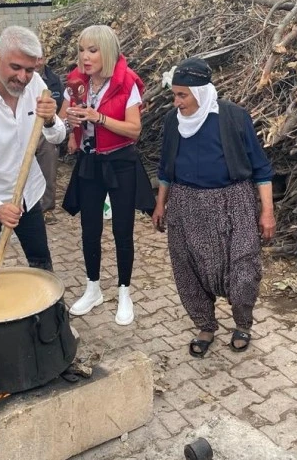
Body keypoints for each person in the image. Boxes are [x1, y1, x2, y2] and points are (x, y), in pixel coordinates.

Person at [152, 58, 276, 357]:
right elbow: (166, 168)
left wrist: (267, 211)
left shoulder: (232, 117)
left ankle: (243, 323)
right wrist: (160, 205)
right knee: (188, 269)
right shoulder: (173, 121)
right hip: (185, 205)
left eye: (182, 95)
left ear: (201, 91)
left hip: (233, 203)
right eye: (175, 94)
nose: (177, 102)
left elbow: (261, 168)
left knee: (244, 268)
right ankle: (205, 325)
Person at [61, 24, 155, 326]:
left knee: (122, 230)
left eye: (93, 50)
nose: (85, 57)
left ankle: (124, 291)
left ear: (108, 51)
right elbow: (63, 120)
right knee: (90, 228)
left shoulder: (127, 82)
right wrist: (70, 121)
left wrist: (98, 117)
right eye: (82, 50)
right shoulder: (76, 83)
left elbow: (134, 130)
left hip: (121, 163)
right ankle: (93, 288)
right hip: (89, 163)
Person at [0, 26, 66, 273]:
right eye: (15, 67)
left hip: (28, 193)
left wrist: (50, 120)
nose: (23, 77)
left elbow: (58, 137)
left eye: (30, 69)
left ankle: (50, 312)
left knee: (41, 264)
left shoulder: (37, 85)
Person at [34, 53, 64, 223]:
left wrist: (53, 125)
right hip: (28, 130)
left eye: (40, 58)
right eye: (34, 58)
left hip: (47, 130)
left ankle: (46, 209)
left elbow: (60, 106)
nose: (37, 62)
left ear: (44, 58)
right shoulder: (24, 78)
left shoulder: (54, 80)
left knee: (48, 171)